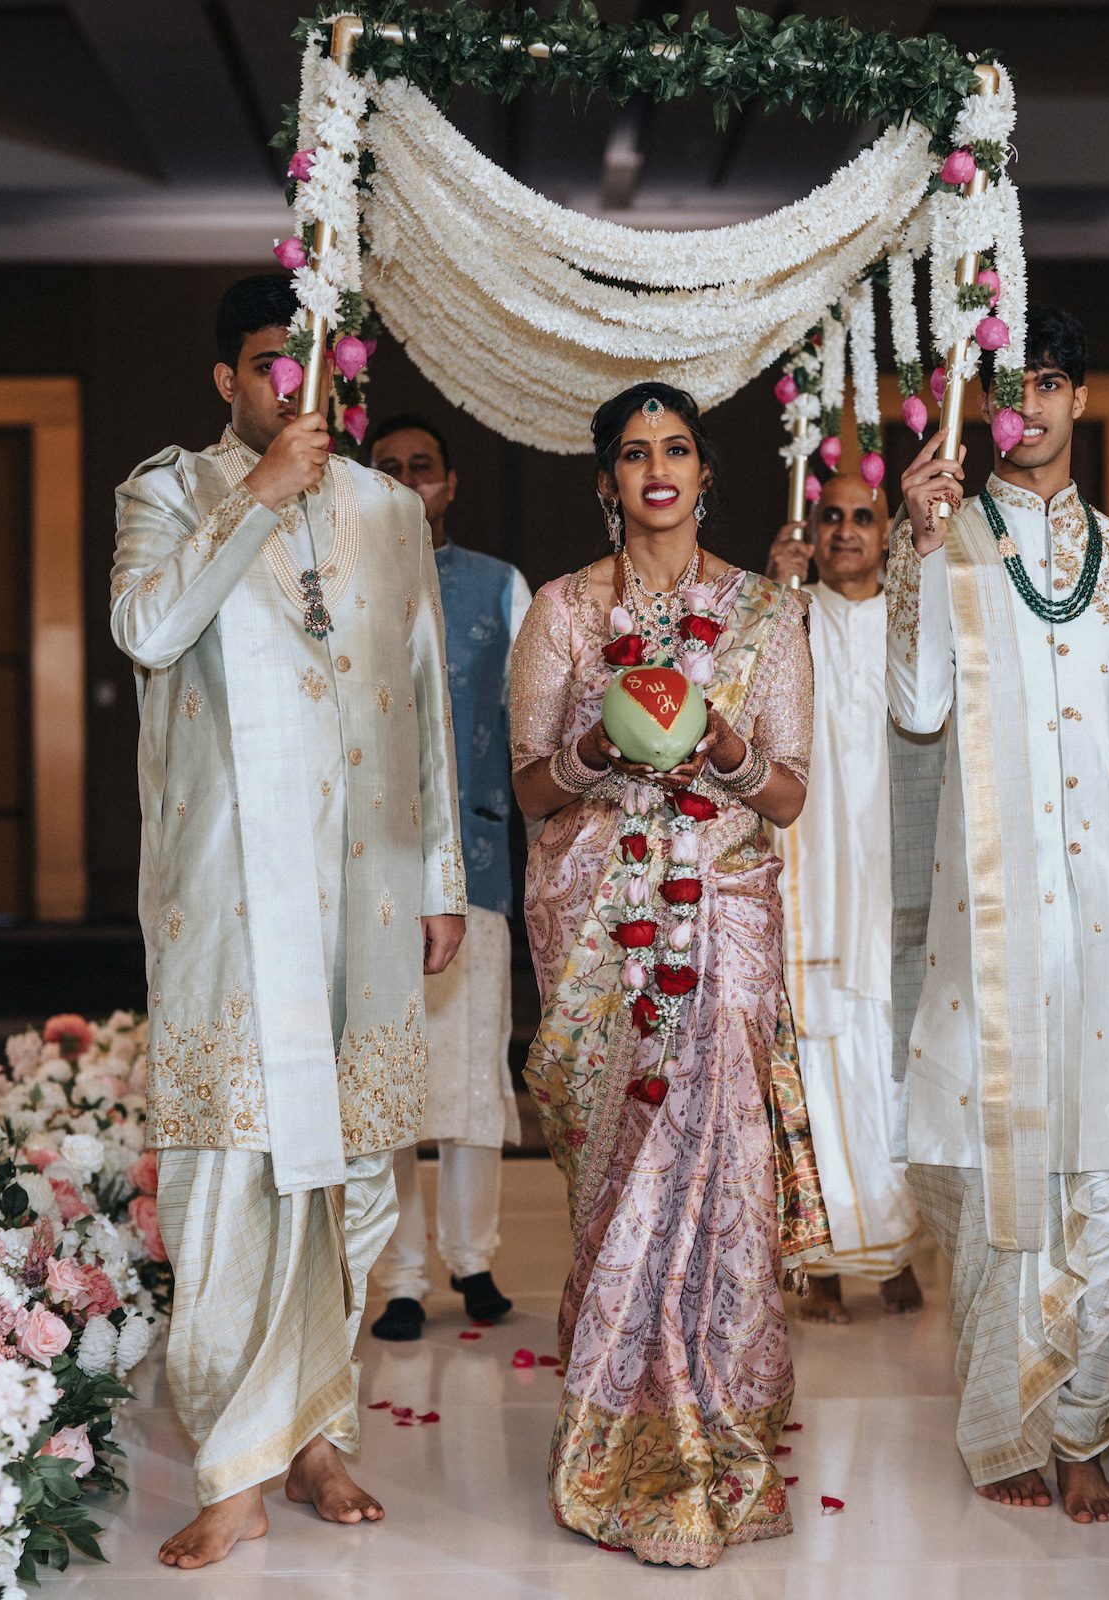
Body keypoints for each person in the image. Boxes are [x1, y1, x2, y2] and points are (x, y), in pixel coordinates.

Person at [111, 274, 466, 1569]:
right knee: (227, 1170)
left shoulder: (385, 511)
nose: (302, 393)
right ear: (228, 381)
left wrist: (439, 878)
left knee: (353, 1176)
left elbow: (424, 700)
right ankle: (231, 1465)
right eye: (274, 367)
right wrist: (254, 503)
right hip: (228, 901)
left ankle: (315, 1433)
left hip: (363, 902)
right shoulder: (168, 493)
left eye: (327, 374)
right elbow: (148, 629)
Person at [888, 307, 1109, 1522]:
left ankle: (1086, 1427)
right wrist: (912, 542)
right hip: (991, 933)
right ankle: (1005, 1424)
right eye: (1008, 387)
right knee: (1009, 1187)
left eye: (1048, 383)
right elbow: (920, 706)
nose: (1028, 407)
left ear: (1081, 398)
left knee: (1107, 1189)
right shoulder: (946, 547)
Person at [511, 380, 825, 1566]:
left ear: (705, 474)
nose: (656, 467)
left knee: (724, 1158)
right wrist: (602, 745)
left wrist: (724, 747)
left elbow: (790, 794)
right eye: (633, 452)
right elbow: (533, 785)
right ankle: (615, 1457)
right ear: (605, 481)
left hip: (728, 917)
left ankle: (722, 1458)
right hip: (601, 929)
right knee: (621, 1169)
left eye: (677, 448)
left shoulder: (761, 614)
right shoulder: (561, 613)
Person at [363, 413, 530, 1341]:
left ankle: (473, 1258)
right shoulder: (340, 581)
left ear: (451, 484)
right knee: (388, 1079)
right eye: (386, 467)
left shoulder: (501, 589)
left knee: (469, 1076)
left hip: (478, 863)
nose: (405, 480)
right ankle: (399, 1273)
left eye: (421, 467)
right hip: (371, 870)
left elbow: (538, 718)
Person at [765, 473, 923, 1324]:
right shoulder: (787, 617)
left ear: (888, 532)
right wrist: (775, 591)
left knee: (895, 1071)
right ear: (811, 532)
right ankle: (818, 1256)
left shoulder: (914, 619)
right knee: (820, 1068)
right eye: (831, 518)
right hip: (812, 876)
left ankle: (895, 1247)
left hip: (893, 877)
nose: (847, 532)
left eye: (865, 517)